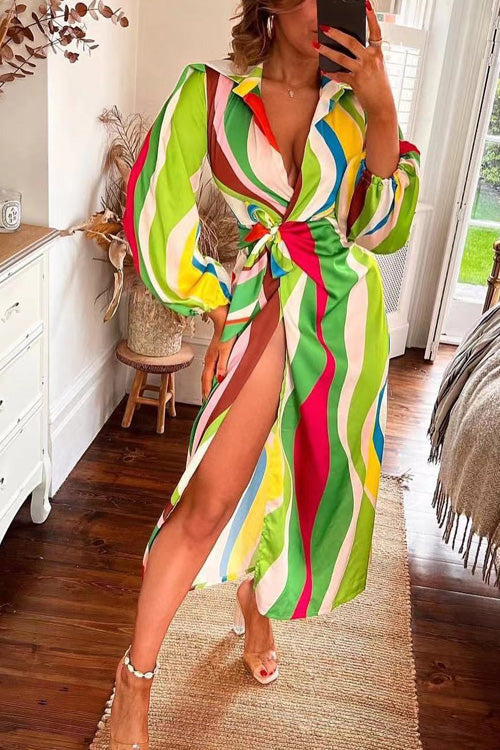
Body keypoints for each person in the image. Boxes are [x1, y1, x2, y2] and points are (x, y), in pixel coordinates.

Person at [113, 0, 421, 746]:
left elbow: (380, 229)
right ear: (272, 6)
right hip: (260, 304)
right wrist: (217, 302)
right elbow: (156, 209)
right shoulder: (211, 95)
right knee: (210, 502)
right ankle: (134, 682)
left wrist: (382, 110)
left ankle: (255, 607)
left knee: (299, 481)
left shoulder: (353, 106)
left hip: (338, 315)